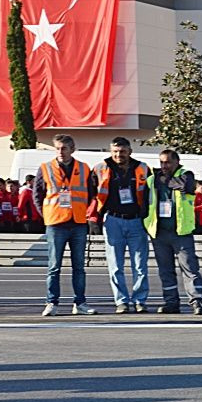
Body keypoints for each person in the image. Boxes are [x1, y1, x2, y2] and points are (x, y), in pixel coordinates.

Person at [34, 134, 98, 316]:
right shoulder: (45, 168)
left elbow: (91, 194)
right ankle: (51, 302)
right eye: (57, 148)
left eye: (64, 148)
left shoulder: (84, 168)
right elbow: (37, 195)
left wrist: (89, 216)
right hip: (56, 223)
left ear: (72, 149)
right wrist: (46, 215)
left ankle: (80, 303)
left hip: (78, 223)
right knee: (54, 267)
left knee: (79, 267)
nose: (60, 152)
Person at [146, 150, 202, 315]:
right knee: (165, 270)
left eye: (167, 162)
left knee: (190, 268)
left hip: (181, 231)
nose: (164, 166)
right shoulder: (152, 180)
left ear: (176, 162)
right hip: (159, 231)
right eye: (161, 163)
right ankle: (171, 302)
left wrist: (163, 179)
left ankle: (196, 301)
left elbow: (183, 185)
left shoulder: (187, 175)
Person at [98, 137, 152, 314]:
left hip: (137, 221)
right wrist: (93, 218)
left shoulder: (143, 168)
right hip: (113, 220)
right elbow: (91, 194)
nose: (118, 155)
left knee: (140, 265)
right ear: (110, 152)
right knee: (115, 265)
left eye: (122, 151)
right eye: (115, 152)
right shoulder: (100, 168)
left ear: (130, 151)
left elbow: (152, 194)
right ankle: (121, 301)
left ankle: (140, 300)